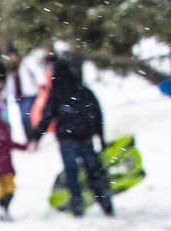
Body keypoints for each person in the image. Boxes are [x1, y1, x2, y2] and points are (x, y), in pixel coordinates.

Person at [27, 53, 113, 218]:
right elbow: (96, 114)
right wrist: (100, 137)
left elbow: (47, 117)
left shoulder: (57, 94)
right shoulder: (83, 91)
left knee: (72, 174)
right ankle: (105, 203)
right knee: (94, 172)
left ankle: (77, 204)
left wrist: (36, 137)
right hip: (85, 138)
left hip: (67, 140)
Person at [0, 77, 28, 221]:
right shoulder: (2, 129)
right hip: (4, 163)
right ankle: (5, 209)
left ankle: (3, 210)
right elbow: (9, 143)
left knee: (1, 188)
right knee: (11, 188)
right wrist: (25, 146)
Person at [1, 44, 40, 141]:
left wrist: (40, 83)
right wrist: (3, 95)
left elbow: (37, 74)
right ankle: (30, 138)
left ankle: (33, 137)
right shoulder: (11, 68)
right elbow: (9, 85)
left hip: (29, 94)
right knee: (23, 118)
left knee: (26, 116)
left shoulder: (25, 64)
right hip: (19, 97)